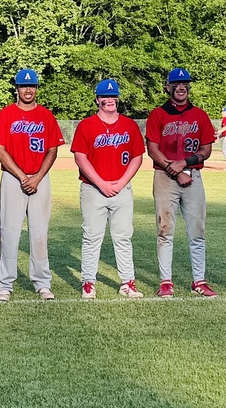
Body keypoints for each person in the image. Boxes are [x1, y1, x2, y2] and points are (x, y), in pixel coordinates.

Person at [0, 68, 63, 302]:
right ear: (17, 89)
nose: (28, 89)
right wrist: (22, 176)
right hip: (13, 178)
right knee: (9, 232)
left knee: (39, 233)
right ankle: (5, 284)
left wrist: (37, 177)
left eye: (32, 86)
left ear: (36, 88)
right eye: (23, 86)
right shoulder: (6, 114)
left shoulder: (46, 116)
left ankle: (42, 283)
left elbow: (52, 150)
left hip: (40, 178)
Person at [144, 68, 218, 299]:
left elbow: (206, 149)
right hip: (165, 177)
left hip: (193, 175)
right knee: (164, 230)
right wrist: (175, 170)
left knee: (197, 230)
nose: (181, 87)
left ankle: (199, 281)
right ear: (168, 87)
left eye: (185, 83)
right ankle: (166, 282)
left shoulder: (200, 115)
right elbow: (152, 150)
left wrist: (184, 164)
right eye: (176, 84)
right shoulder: (157, 115)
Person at [71, 79, 145, 299]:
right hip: (93, 189)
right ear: (97, 100)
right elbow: (80, 157)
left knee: (123, 237)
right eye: (105, 97)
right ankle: (88, 282)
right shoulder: (86, 125)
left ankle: (127, 283)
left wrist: (121, 183)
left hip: (122, 188)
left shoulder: (129, 125)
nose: (110, 100)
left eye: (113, 96)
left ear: (117, 99)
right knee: (92, 237)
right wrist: (101, 183)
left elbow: (137, 157)